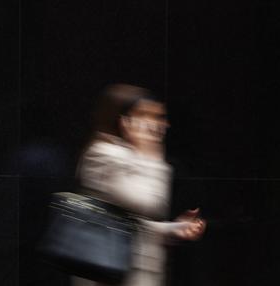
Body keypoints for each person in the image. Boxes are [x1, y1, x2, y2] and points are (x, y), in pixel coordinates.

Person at [73, 84, 205, 286]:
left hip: (130, 271)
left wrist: (175, 228)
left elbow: (130, 221)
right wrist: (152, 156)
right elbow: (149, 204)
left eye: (160, 117)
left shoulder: (127, 155)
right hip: (111, 273)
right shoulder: (104, 154)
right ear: (124, 120)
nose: (161, 124)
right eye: (149, 116)